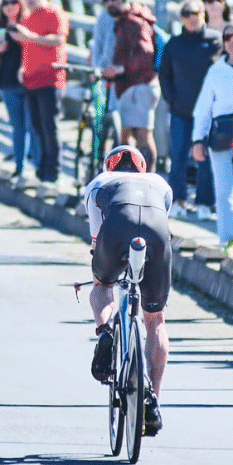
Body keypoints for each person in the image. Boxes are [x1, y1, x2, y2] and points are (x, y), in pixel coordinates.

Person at [85, 146, 172, 436]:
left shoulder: (99, 183)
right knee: (155, 318)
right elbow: (162, 221)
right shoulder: (160, 183)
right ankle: (153, 402)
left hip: (116, 225)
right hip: (156, 229)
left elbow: (97, 241)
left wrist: (103, 271)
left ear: (109, 167)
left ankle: (106, 332)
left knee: (102, 285)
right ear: (143, 170)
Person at [191, 20, 233, 256]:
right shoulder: (215, 70)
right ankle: (229, 238)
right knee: (224, 189)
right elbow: (203, 108)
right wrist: (198, 140)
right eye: (227, 37)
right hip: (221, 134)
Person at [158, 0, 219, 219]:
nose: (191, 18)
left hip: (208, 112)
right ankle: (178, 201)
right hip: (180, 110)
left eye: (195, 13)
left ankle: (204, 203)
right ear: (181, 18)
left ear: (203, 14)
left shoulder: (216, 41)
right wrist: (171, 99)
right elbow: (164, 74)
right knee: (179, 156)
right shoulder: (174, 44)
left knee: (206, 158)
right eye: (186, 14)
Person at [11, 0, 69, 187]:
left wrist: (31, 37)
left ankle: (53, 173)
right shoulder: (27, 18)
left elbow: (58, 40)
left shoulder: (54, 12)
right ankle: (42, 171)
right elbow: (28, 47)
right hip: (31, 79)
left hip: (50, 78)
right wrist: (22, 67)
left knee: (50, 126)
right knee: (37, 127)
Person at [101, 0, 160, 171]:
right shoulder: (124, 21)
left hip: (140, 85)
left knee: (143, 135)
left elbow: (145, 53)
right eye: (105, 0)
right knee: (129, 135)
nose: (109, 3)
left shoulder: (133, 21)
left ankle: (148, 180)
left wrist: (120, 69)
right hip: (132, 85)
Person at [0, 0, 39, 178]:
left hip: (29, 80)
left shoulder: (29, 23)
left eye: (13, 2)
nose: (9, 6)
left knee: (33, 125)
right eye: (5, 3)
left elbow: (37, 47)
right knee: (17, 126)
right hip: (7, 81)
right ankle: (19, 166)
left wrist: (24, 38)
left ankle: (38, 168)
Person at [89, 0, 118, 71]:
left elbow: (109, 47)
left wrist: (98, 69)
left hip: (107, 71)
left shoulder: (112, 14)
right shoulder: (104, 13)